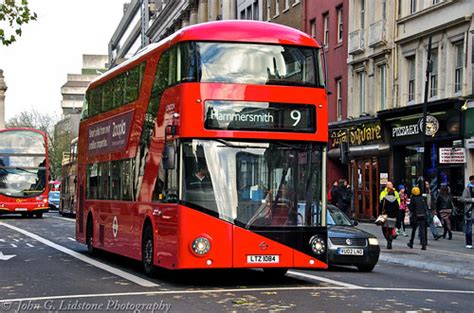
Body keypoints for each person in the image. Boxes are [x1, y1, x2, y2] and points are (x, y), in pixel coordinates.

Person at [379, 181, 400, 249]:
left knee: (384, 229)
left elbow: (381, 207)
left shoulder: (384, 199)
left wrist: (380, 214)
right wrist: (397, 217)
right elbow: (397, 209)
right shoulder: (395, 200)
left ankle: (388, 240)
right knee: (391, 230)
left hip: (385, 216)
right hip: (393, 217)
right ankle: (390, 242)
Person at [461, 175, 474, 249]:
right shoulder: (467, 189)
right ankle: (468, 243)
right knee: (469, 228)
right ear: (471, 180)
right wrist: (471, 200)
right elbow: (463, 199)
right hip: (470, 210)